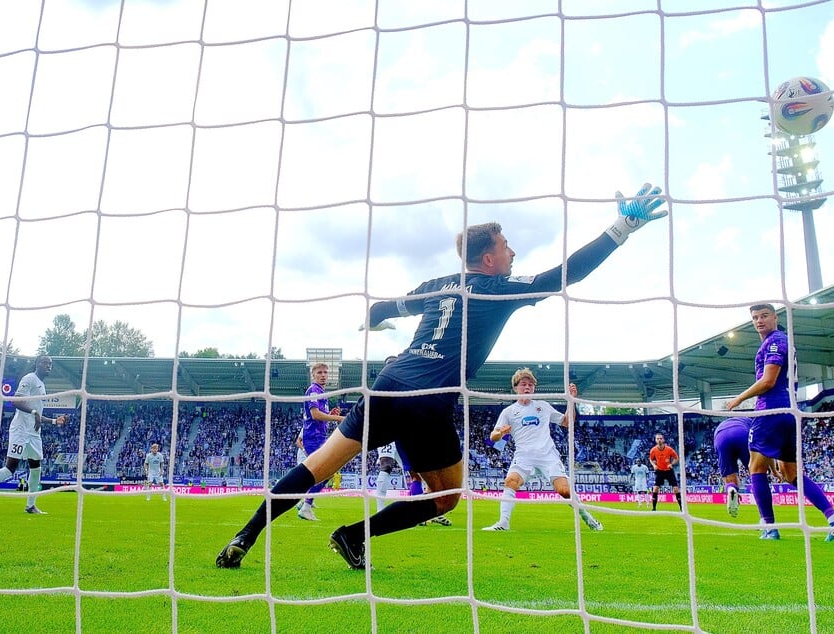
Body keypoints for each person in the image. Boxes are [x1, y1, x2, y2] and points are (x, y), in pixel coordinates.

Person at [216, 182, 667, 569]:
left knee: (315, 467)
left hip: (388, 384)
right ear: (488, 259)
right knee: (446, 497)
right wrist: (621, 229)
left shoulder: (437, 286)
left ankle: (244, 536)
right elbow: (564, 275)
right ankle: (353, 535)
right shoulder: (496, 289)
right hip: (429, 400)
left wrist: (375, 324)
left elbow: (381, 308)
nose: (512, 252)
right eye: (506, 246)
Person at [725, 304, 834, 541]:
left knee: (756, 468)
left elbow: (768, 381)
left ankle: (769, 527)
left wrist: (739, 399)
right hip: (790, 411)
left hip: (771, 410)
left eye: (764, 316)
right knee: (791, 473)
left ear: (776, 317)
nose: (759, 321)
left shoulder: (775, 341)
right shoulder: (780, 342)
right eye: (755, 317)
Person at [482, 368, 602, 532]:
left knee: (564, 491)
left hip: (547, 455)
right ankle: (503, 523)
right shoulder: (508, 412)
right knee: (510, 482)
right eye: (524, 384)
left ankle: (587, 517)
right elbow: (493, 436)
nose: (527, 387)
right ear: (516, 388)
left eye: (530, 385)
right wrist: (500, 433)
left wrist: (571, 401)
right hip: (524, 456)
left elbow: (567, 422)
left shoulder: (543, 406)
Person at [0, 355, 68, 515]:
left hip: (34, 433)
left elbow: (36, 415)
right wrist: (34, 412)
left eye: (50, 364)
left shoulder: (41, 384)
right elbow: (15, 401)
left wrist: (55, 421)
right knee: (10, 469)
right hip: (21, 431)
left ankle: (30, 505)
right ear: (37, 364)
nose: (48, 366)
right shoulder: (29, 378)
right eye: (45, 363)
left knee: (36, 469)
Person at [296, 362, 346, 521]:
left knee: (326, 472)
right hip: (313, 437)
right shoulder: (313, 391)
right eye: (319, 372)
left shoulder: (321, 392)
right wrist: (338, 418)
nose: (323, 375)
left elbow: (320, 417)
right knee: (326, 471)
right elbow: (315, 415)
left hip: (319, 437)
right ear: (313, 375)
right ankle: (305, 505)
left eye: (325, 372)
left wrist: (330, 414)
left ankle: (305, 503)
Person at [713, 416, 752, 518]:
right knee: (756, 472)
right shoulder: (753, 422)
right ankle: (764, 515)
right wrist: (773, 470)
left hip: (720, 436)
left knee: (728, 475)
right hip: (742, 433)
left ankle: (731, 489)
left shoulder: (726, 423)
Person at [649, 433, 682, 511]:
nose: (659, 440)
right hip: (660, 471)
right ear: (655, 440)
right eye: (657, 439)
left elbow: (676, 458)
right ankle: (654, 508)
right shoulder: (653, 450)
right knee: (655, 489)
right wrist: (654, 465)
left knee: (676, 489)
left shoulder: (669, 449)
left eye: (660, 438)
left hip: (668, 471)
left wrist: (671, 464)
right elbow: (650, 459)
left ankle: (681, 507)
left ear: (663, 440)